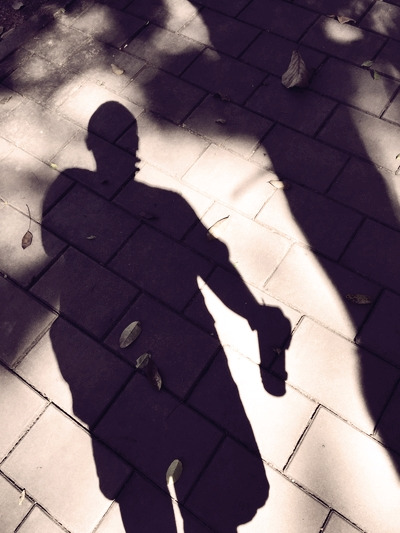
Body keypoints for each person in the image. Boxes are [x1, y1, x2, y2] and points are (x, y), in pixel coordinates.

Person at [41, 102, 292, 532]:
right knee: (214, 500)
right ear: (134, 146)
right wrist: (254, 315)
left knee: (147, 508)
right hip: (195, 371)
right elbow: (214, 267)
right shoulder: (168, 206)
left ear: (91, 146)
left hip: (130, 416)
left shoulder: (77, 280)